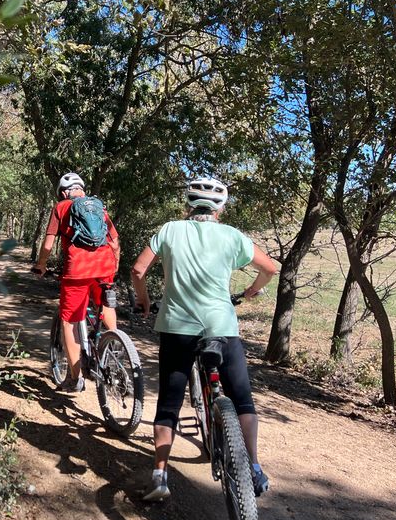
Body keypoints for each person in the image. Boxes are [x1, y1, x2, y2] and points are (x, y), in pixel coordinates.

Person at [130, 177, 277, 500]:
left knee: (169, 404)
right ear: (220, 209)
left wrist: (143, 301)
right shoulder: (232, 236)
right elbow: (270, 268)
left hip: (177, 327)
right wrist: (252, 290)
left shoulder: (169, 230)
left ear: (187, 204)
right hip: (220, 327)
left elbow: (138, 271)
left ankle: (159, 476)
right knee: (242, 400)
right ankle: (252, 466)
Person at [34, 172, 120, 392]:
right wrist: (115, 265)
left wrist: (41, 265)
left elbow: (47, 244)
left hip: (78, 270)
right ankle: (114, 345)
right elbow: (115, 242)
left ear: (63, 192)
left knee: (70, 321)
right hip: (105, 266)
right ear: (81, 189)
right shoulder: (99, 207)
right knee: (106, 305)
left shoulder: (61, 207)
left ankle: (74, 378)